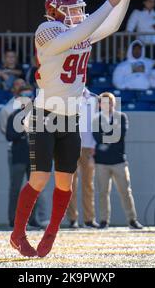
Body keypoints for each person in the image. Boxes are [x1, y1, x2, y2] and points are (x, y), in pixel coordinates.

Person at [10, 0, 131, 257]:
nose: (79, 15)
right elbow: (79, 34)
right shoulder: (47, 30)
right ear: (55, 12)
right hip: (45, 114)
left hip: (70, 117)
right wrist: (111, 0)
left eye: (80, 10)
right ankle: (18, 234)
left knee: (66, 181)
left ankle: (51, 232)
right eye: (73, 10)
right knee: (39, 178)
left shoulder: (79, 30)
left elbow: (110, 26)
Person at [92, 92, 143, 229]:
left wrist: (106, 139)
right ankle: (103, 220)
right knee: (103, 192)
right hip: (101, 162)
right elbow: (97, 137)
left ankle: (132, 219)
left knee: (125, 192)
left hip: (119, 160)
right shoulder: (96, 119)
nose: (105, 105)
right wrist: (111, 136)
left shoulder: (121, 117)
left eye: (108, 102)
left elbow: (121, 134)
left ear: (113, 103)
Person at [5, 85, 48, 229]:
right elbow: (9, 136)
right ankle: (13, 219)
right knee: (15, 189)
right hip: (19, 156)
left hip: (35, 157)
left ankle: (32, 219)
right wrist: (23, 126)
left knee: (34, 189)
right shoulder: (13, 116)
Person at [67, 88, 98, 229]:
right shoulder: (66, 96)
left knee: (88, 185)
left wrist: (95, 145)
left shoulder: (95, 99)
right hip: (70, 147)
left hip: (88, 147)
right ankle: (72, 219)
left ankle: (89, 219)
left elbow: (99, 125)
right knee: (69, 185)